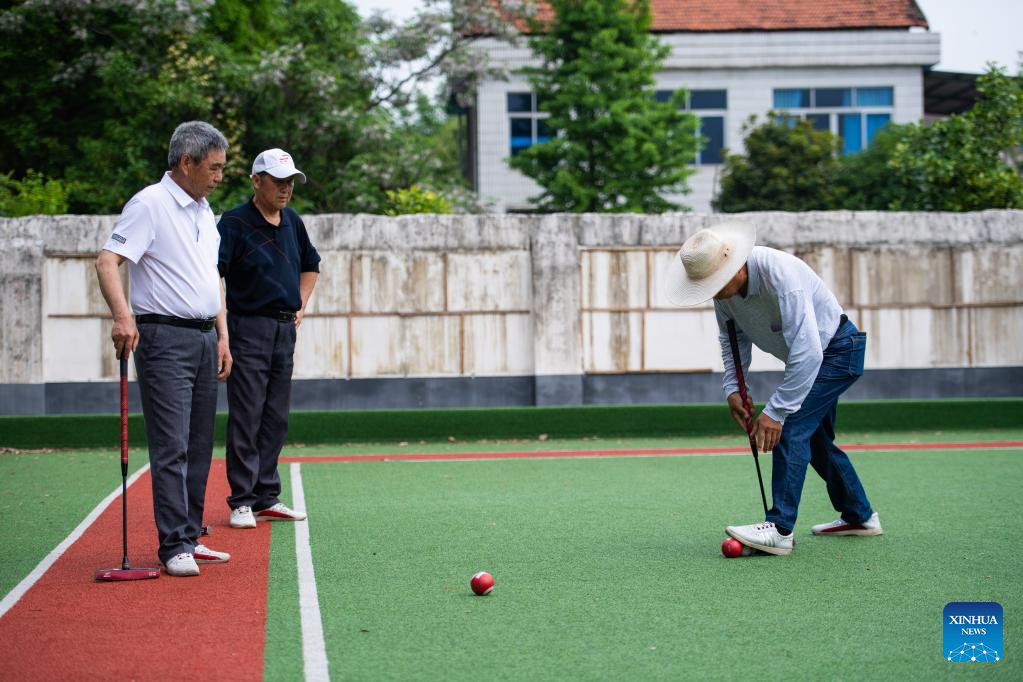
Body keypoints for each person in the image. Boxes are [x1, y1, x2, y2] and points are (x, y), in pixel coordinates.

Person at [663, 222, 882, 556]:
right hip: (817, 356)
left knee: (791, 425)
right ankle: (860, 516)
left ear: (735, 265)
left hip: (838, 351)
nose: (714, 292)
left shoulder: (780, 276)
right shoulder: (724, 292)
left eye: (717, 283)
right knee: (817, 440)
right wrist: (733, 388)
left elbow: (809, 352)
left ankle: (780, 528)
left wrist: (777, 411)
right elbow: (731, 339)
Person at [95, 121, 234, 577]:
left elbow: (211, 275)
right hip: (163, 339)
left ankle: (190, 537)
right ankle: (174, 543)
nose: (218, 176)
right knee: (171, 443)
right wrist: (122, 316)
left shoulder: (203, 210)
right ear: (186, 162)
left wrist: (222, 333)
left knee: (197, 445)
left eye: (223, 169)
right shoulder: (150, 204)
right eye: (212, 168)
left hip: (203, 336)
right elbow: (108, 261)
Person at [217, 148, 320, 529]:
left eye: (290, 181)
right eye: (278, 181)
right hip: (248, 327)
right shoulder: (234, 223)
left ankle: (266, 496)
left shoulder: (292, 221)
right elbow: (214, 274)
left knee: (275, 415)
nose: (286, 188)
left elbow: (311, 265)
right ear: (256, 181)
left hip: (283, 330)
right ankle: (241, 500)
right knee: (247, 414)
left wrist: (302, 303)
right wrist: (222, 331)